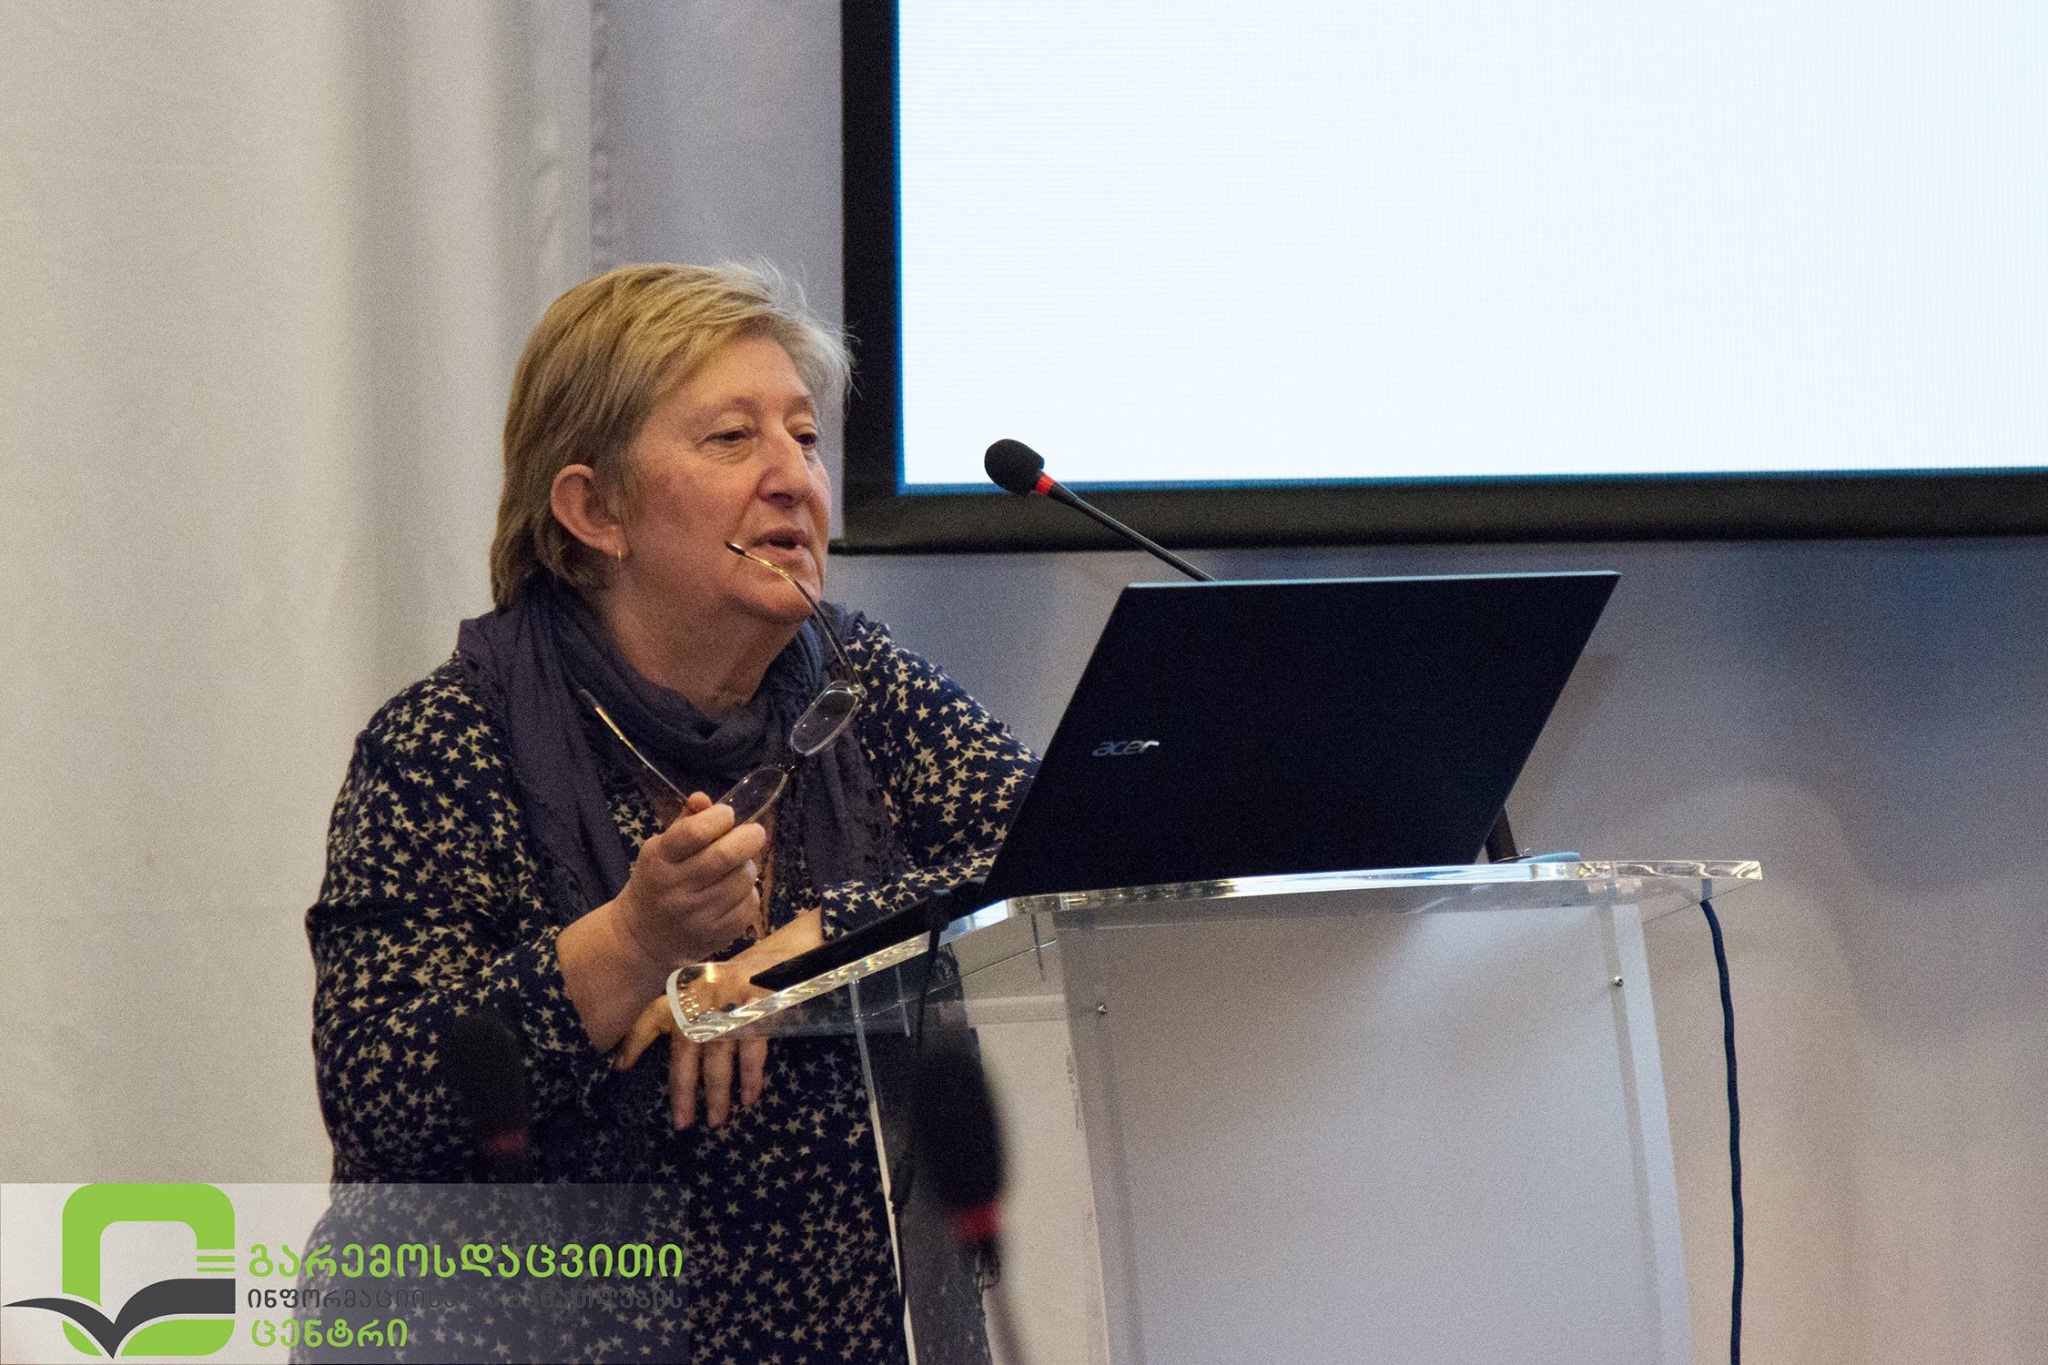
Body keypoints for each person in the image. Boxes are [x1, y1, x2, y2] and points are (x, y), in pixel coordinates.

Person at [306, 262, 1036, 1363]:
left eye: (804, 437)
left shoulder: (861, 683)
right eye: (733, 439)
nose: (794, 479)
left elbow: (1059, 848)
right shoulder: (448, 743)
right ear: (594, 509)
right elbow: (382, 1094)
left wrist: (809, 951)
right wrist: (636, 940)